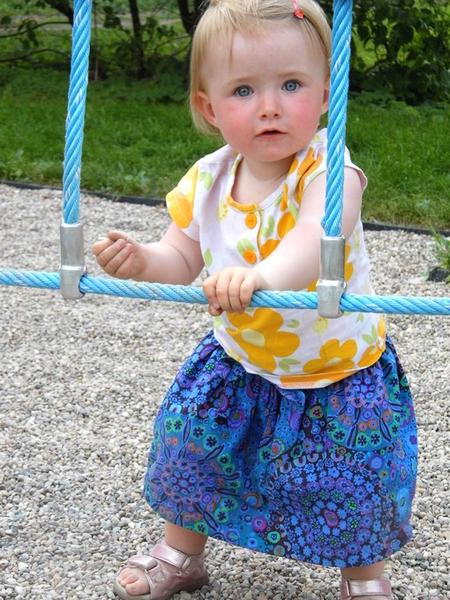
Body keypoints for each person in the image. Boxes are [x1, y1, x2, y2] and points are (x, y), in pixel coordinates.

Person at [93, 1, 417, 599]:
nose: (269, 106)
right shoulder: (208, 178)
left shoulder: (329, 169)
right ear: (209, 108)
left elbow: (317, 239)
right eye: (243, 90)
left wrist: (258, 276)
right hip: (239, 362)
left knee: (355, 482)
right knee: (191, 452)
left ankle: (365, 578)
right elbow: (180, 257)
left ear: (326, 94)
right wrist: (142, 260)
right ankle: (180, 553)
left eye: (291, 85)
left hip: (339, 368)